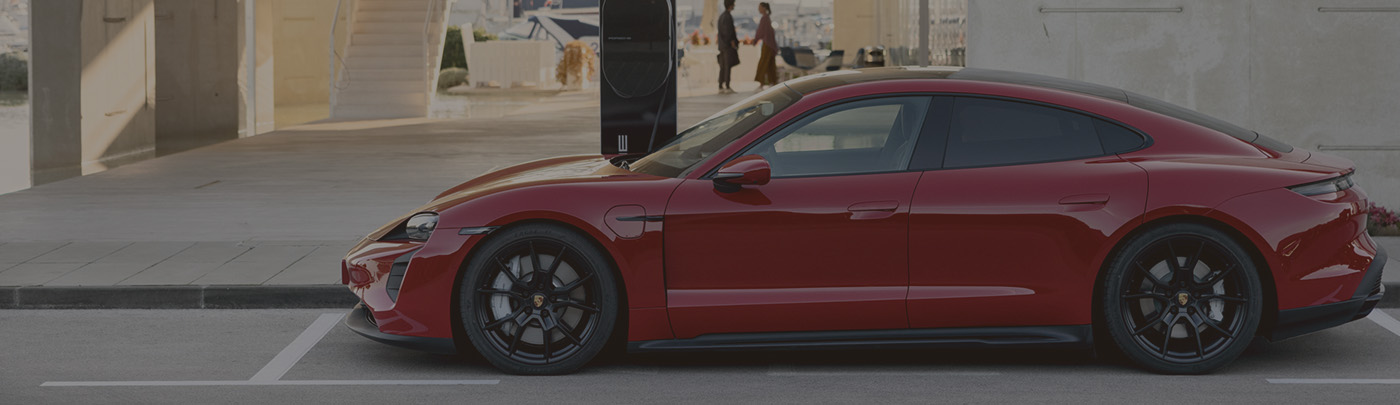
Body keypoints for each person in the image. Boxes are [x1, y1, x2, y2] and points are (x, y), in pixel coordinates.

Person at [753, 2, 778, 89]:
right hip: (770, 44)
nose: (758, 9)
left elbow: (760, 31)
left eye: (759, 7)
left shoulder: (764, 18)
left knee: (763, 63)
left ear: (764, 8)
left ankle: (762, 82)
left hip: (767, 44)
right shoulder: (767, 18)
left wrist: (755, 40)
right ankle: (773, 81)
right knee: (770, 63)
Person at [717, 0, 739, 94]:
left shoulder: (721, 16)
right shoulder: (728, 17)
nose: (734, 5)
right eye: (733, 4)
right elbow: (728, 32)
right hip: (727, 46)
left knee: (722, 66)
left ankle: (721, 85)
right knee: (727, 66)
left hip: (722, 45)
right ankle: (727, 86)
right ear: (730, 5)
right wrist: (732, 42)